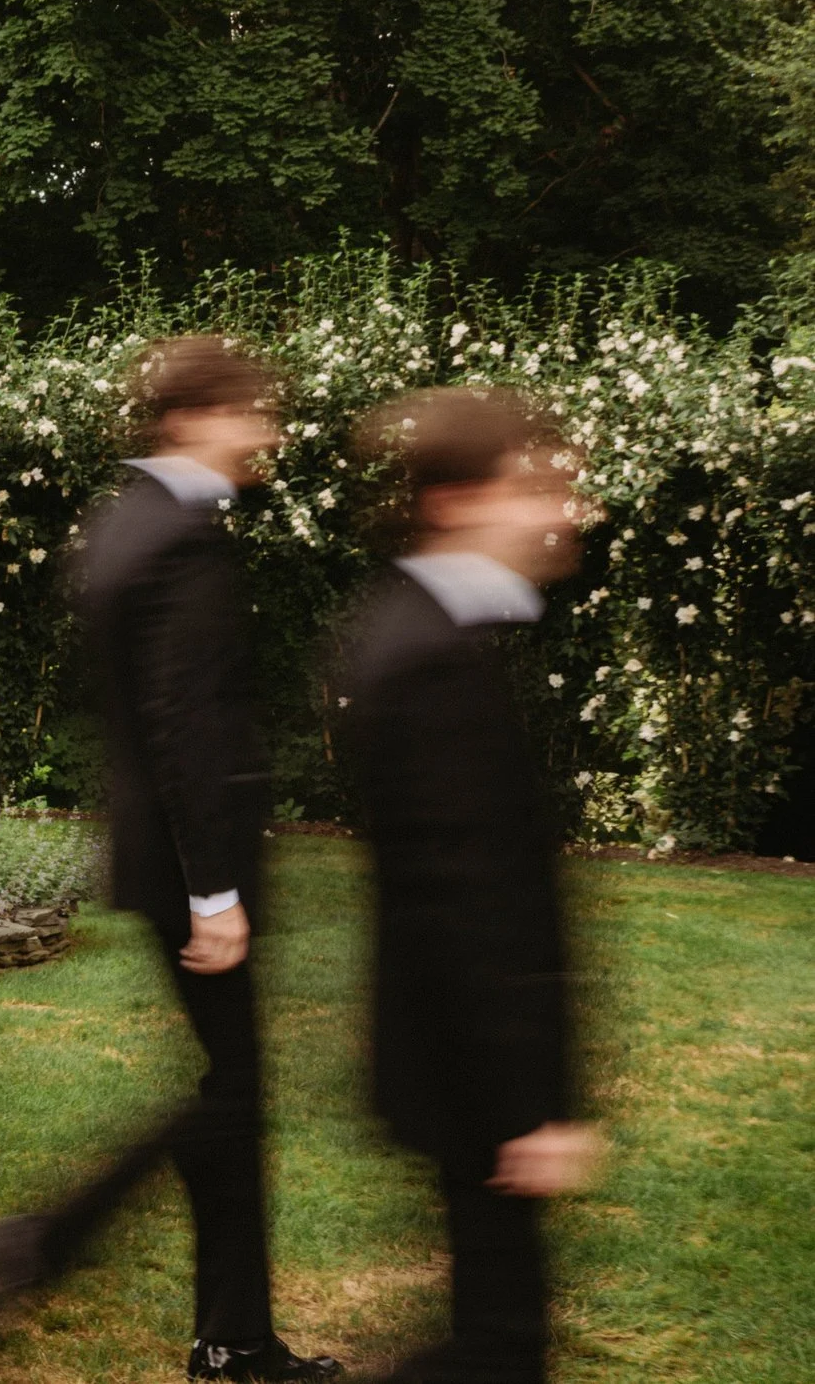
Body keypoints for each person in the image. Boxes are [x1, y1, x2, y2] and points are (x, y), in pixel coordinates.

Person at [0, 336, 338, 1382]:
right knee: (230, 1095)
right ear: (187, 418)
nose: (266, 431)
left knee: (230, 1090)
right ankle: (50, 1245)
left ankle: (229, 1335)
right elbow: (184, 727)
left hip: (169, 860)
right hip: (195, 868)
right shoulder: (177, 537)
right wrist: (215, 890)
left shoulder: (125, 520)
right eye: (249, 411)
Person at [337, 389, 602, 1384]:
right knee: (497, 1347)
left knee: (495, 1336)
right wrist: (528, 1107)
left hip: (465, 1066)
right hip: (477, 1075)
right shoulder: (428, 658)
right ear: (451, 501)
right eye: (535, 486)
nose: (566, 511)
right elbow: (461, 903)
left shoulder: (436, 634)